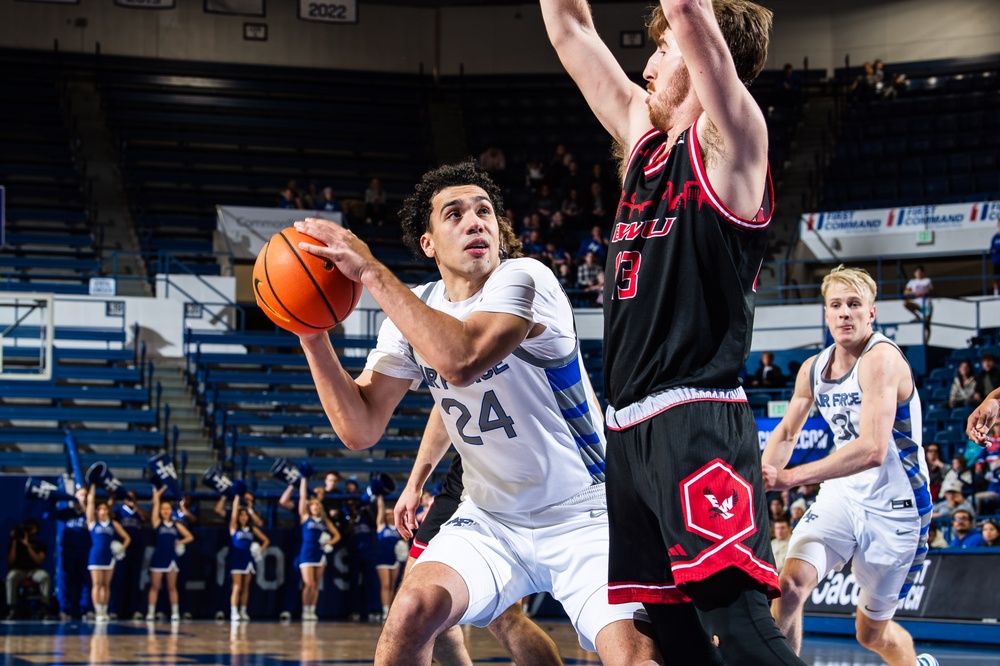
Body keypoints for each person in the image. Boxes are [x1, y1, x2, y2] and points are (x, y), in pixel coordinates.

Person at [291, 161, 660, 665]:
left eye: (484, 211)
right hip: (491, 518)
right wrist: (310, 334)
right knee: (410, 614)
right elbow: (360, 427)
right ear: (429, 244)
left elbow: (461, 361)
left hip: (586, 513)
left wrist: (372, 270)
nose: (476, 221)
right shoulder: (416, 308)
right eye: (455, 214)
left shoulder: (526, 277)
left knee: (635, 656)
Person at [541, 1, 799, 664]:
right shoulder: (643, 143)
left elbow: (687, 9)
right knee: (677, 644)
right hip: (626, 432)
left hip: (695, 417)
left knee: (737, 625)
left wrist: (685, 21)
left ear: (702, 50)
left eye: (662, 49)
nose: (647, 65)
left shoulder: (732, 139)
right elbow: (570, 27)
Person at [761, 265, 937, 666]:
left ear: (871, 313)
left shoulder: (883, 359)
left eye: (854, 305)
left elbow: (873, 448)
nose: (845, 313)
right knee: (788, 586)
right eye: (836, 305)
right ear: (825, 314)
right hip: (843, 496)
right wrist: (760, 483)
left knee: (869, 633)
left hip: (897, 506)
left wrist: (789, 478)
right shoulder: (813, 369)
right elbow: (787, 434)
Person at [395, 409, 564, 666]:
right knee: (427, 612)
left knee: (423, 609)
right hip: (506, 470)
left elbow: (444, 405)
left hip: (486, 477)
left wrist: (414, 485)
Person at [296, 475, 341, 621]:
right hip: (307, 553)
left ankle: (312, 610)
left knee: (315, 584)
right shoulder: (305, 517)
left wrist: (329, 543)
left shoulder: (324, 520)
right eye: (313, 505)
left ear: (320, 507)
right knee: (308, 583)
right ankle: (305, 609)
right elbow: (302, 497)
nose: (315, 506)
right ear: (310, 507)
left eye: (317, 505)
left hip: (319, 553)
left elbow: (337, 535)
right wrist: (304, 479)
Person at [147, 485, 194, 622]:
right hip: (159, 557)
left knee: (172, 587)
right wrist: (159, 492)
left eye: (168, 509)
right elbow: (155, 504)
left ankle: (175, 612)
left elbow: (190, 537)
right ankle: (151, 612)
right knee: (155, 586)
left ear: (171, 511)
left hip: (171, 558)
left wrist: (179, 543)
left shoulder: (176, 524)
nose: (165, 511)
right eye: (163, 509)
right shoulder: (157, 523)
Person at [85, 484, 130, 623]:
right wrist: (92, 487)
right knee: (97, 584)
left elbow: (127, 538)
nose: (103, 512)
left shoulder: (113, 524)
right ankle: (98, 611)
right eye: (100, 509)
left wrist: (121, 548)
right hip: (95, 556)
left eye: (105, 509)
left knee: (106, 584)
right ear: (97, 512)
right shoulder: (93, 523)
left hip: (109, 557)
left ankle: (105, 610)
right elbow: (90, 502)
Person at [228, 494, 270, 622]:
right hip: (237, 559)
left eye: (245, 515)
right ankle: (233, 611)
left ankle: (243, 610)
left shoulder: (252, 529)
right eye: (241, 515)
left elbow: (266, 540)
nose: (243, 517)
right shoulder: (234, 528)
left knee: (246, 587)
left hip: (249, 560)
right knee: (237, 586)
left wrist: (259, 550)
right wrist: (236, 497)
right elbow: (233, 516)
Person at [109, 490, 147, 620]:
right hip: (122, 551)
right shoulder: (119, 512)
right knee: (118, 581)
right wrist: (111, 500)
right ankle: (114, 609)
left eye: (133, 497)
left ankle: (134, 609)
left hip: (136, 550)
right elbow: (109, 515)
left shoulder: (137, 512)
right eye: (128, 497)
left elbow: (146, 518)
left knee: (134, 581)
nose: (130, 499)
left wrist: (136, 506)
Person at [6, 519, 50, 620]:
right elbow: (10, 561)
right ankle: (12, 608)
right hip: (19, 570)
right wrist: (14, 541)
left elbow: (39, 560)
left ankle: (44, 608)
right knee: (11, 577)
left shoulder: (40, 545)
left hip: (34, 570)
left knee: (45, 577)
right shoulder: (15, 544)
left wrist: (27, 545)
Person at [373, 494, 403, 623]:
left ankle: (390, 610)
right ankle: (384, 610)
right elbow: (380, 511)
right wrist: (380, 497)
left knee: (392, 585)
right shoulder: (381, 526)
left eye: (392, 513)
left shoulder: (398, 528)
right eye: (387, 514)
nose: (389, 515)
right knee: (385, 585)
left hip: (394, 560)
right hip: (382, 559)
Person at [902, 265, 932, 342]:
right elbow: (906, 292)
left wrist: (926, 292)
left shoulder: (927, 281)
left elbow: (932, 291)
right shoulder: (912, 282)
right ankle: (917, 316)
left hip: (926, 303)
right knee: (905, 303)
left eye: (920, 272)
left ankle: (926, 342)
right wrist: (915, 293)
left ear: (923, 273)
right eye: (917, 272)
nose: (918, 274)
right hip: (917, 302)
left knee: (926, 324)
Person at [989, 221, 1000, 296]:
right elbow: (991, 249)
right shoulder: (995, 237)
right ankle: (996, 293)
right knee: (996, 278)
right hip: (996, 262)